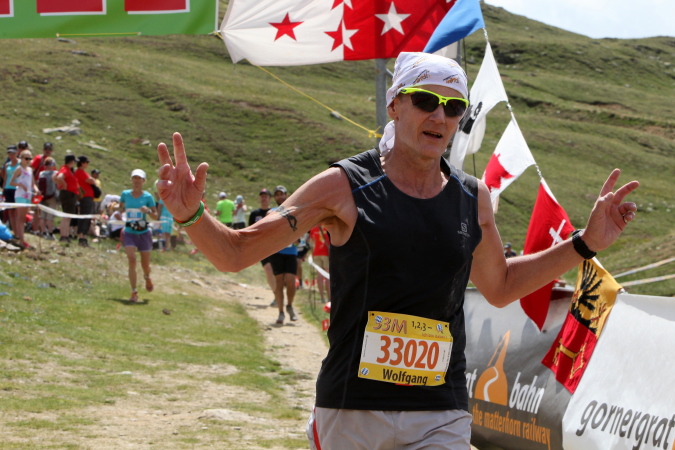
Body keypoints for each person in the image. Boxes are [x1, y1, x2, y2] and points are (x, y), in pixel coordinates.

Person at [155, 52, 639, 449]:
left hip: (439, 410)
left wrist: (585, 243)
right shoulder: (343, 186)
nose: (439, 116)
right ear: (394, 106)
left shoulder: (473, 197)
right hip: (353, 407)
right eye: (426, 100)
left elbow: (501, 285)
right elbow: (236, 253)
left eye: (453, 107)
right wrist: (191, 215)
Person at [118, 169, 157, 303]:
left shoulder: (148, 197)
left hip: (143, 232)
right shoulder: (125, 194)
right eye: (134, 178)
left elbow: (155, 216)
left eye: (139, 178)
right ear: (131, 180)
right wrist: (116, 210)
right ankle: (134, 292)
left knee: (145, 265)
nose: (136, 181)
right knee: (132, 260)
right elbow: (120, 208)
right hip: (129, 231)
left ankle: (147, 277)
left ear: (144, 181)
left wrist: (148, 211)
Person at [267, 185, 299, 324]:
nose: (280, 196)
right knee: (279, 282)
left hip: (291, 252)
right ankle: (280, 313)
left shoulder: (294, 210)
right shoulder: (271, 212)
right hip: (277, 252)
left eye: (282, 194)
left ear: (286, 195)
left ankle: (290, 305)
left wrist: (298, 237)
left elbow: (300, 226)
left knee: (291, 282)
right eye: (277, 194)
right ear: (275, 197)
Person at [248, 188, 276, 298]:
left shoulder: (274, 212)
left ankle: (279, 295)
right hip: (261, 247)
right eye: (262, 196)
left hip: (275, 246)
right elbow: (249, 232)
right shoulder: (254, 214)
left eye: (266, 196)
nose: (264, 198)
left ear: (270, 198)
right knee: (268, 270)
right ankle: (276, 295)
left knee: (277, 272)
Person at [9, 149, 39, 247]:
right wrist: (21, 185)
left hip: (28, 195)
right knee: (20, 217)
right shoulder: (19, 169)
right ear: (21, 158)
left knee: (23, 218)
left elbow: (33, 184)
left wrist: (37, 190)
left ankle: (21, 237)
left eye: (30, 158)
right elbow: (11, 182)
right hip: (20, 195)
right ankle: (21, 239)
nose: (28, 160)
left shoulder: (30, 170)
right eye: (26, 158)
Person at [54, 154, 78, 243]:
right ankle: (63, 235)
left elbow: (54, 177)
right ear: (71, 161)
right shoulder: (65, 169)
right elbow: (59, 177)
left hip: (69, 194)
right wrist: (64, 185)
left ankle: (65, 234)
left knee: (68, 216)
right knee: (67, 216)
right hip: (68, 194)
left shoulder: (66, 169)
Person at [74, 156, 97, 247]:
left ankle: (83, 235)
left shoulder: (82, 172)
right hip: (85, 197)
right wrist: (93, 180)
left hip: (89, 197)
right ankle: (81, 235)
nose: (87, 164)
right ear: (82, 163)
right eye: (86, 162)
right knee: (85, 216)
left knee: (88, 217)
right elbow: (91, 181)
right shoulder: (80, 172)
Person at [37, 156, 58, 240]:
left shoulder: (41, 174)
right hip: (52, 197)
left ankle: (43, 233)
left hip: (42, 197)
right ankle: (50, 233)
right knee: (50, 217)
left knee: (42, 216)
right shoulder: (55, 173)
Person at [309, 224, 331, 303]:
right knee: (327, 275)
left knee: (319, 276)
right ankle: (329, 298)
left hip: (316, 253)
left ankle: (322, 297)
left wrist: (312, 254)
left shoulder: (313, 228)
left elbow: (311, 243)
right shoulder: (328, 226)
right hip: (326, 253)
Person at [1, 145, 20, 234]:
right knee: (10, 211)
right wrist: (3, 189)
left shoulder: (20, 163)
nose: (11, 155)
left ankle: (19, 230)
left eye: (13, 153)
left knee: (17, 211)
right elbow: (5, 178)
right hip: (8, 188)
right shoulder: (7, 165)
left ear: (16, 153)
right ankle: (15, 231)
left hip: (16, 189)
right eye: (9, 154)